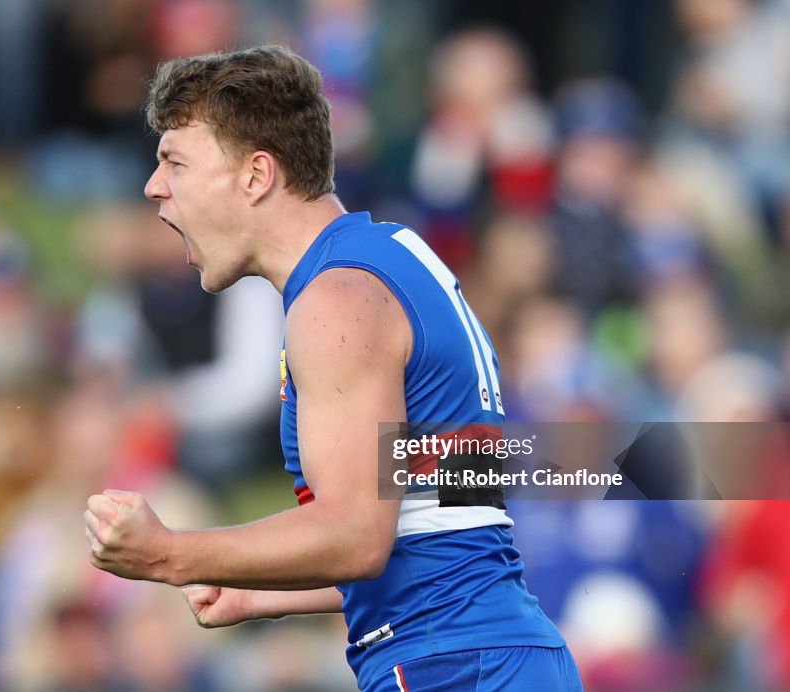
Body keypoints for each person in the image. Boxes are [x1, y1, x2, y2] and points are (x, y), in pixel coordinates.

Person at [84, 44, 583, 691]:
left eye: (174, 161)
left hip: (451, 666)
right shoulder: (391, 258)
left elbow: (356, 536)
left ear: (256, 175)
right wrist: (259, 590)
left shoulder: (335, 301)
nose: (154, 187)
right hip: (500, 655)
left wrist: (169, 554)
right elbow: (443, 529)